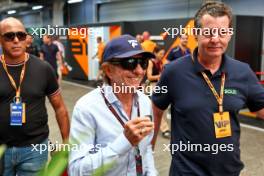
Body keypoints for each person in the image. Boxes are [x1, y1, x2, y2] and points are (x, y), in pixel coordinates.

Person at [151, 2, 264, 176]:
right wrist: (148, 152)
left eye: (222, 32)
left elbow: (261, 109)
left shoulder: (243, 72)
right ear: (196, 34)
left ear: (229, 35)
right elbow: (157, 110)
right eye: (209, 32)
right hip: (186, 171)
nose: (216, 39)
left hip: (229, 171)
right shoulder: (173, 72)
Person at [69, 34, 157, 176]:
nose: (140, 71)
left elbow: (146, 150)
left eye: (143, 62)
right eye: (130, 62)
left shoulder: (145, 102)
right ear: (108, 70)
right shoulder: (86, 108)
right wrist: (123, 143)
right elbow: (76, 170)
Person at [0, 17, 70, 176]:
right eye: (9, 36)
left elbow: (59, 107)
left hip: (34, 149)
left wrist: (66, 143)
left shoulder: (43, 69)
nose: (16, 40)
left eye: (21, 35)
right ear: (0, 40)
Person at [146, 46, 170, 139]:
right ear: (155, 53)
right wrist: (161, 75)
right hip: (151, 86)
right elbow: (149, 77)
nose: (162, 55)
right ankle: (165, 129)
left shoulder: (160, 62)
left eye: (163, 54)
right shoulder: (150, 62)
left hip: (159, 85)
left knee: (155, 109)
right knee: (157, 107)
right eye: (160, 53)